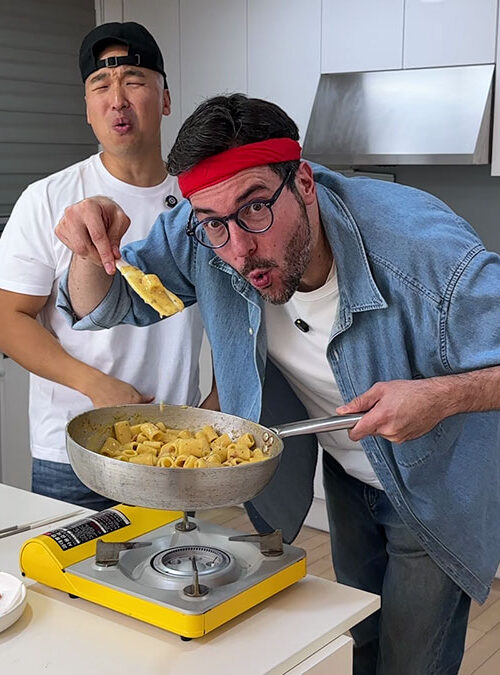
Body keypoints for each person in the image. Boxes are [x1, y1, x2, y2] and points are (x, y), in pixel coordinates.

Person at [55, 93, 500, 674]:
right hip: (347, 473)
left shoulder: (425, 255)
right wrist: (88, 249)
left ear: (305, 183)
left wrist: (438, 396)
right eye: (215, 223)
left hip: (435, 481)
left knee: (411, 662)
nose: (240, 249)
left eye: (257, 208)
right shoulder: (205, 233)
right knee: (359, 637)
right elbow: (106, 303)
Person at [0, 22, 217, 511]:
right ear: (87, 107)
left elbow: (239, 314)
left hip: (171, 446)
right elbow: (8, 318)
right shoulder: (47, 198)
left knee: (171, 560)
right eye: (101, 85)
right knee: (70, 564)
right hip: (72, 449)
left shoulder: (201, 201)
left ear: (165, 99)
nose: (117, 100)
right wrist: (96, 386)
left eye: (134, 81)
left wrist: (215, 408)